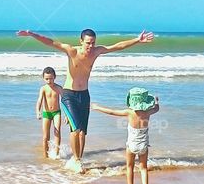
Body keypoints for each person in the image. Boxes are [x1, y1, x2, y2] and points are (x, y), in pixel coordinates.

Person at [17, 28, 155, 173]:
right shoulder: (72, 51)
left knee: (82, 132)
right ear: (81, 41)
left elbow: (117, 46)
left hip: (84, 95)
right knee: (75, 130)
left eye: (93, 43)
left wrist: (137, 40)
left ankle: (78, 159)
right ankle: (76, 160)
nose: (90, 46)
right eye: (88, 43)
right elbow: (51, 42)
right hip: (69, 95)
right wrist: (32, 35)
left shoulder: (96, 52)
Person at [91, 88, 160, 184]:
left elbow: (112, 112)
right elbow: (157, 108)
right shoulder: (148, 112)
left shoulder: (129, 112)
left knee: (130, 167)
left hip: (131, 145)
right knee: (143, 168)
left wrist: (97, 107)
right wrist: (156, 101)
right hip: (143, 145)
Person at [35, 66, 62, 159]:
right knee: (45, 136)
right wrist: (37, 112)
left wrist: (67, 115)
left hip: (56, 113)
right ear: (43, 78)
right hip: (46, 113)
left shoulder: (58, 88)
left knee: (57, 131)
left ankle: (57, 154)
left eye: (51, 78)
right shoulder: (43, 88)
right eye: (46, 79)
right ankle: (45, 155)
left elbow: (65, 101)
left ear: (55, 77)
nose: (49, 81)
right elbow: (39, 100)